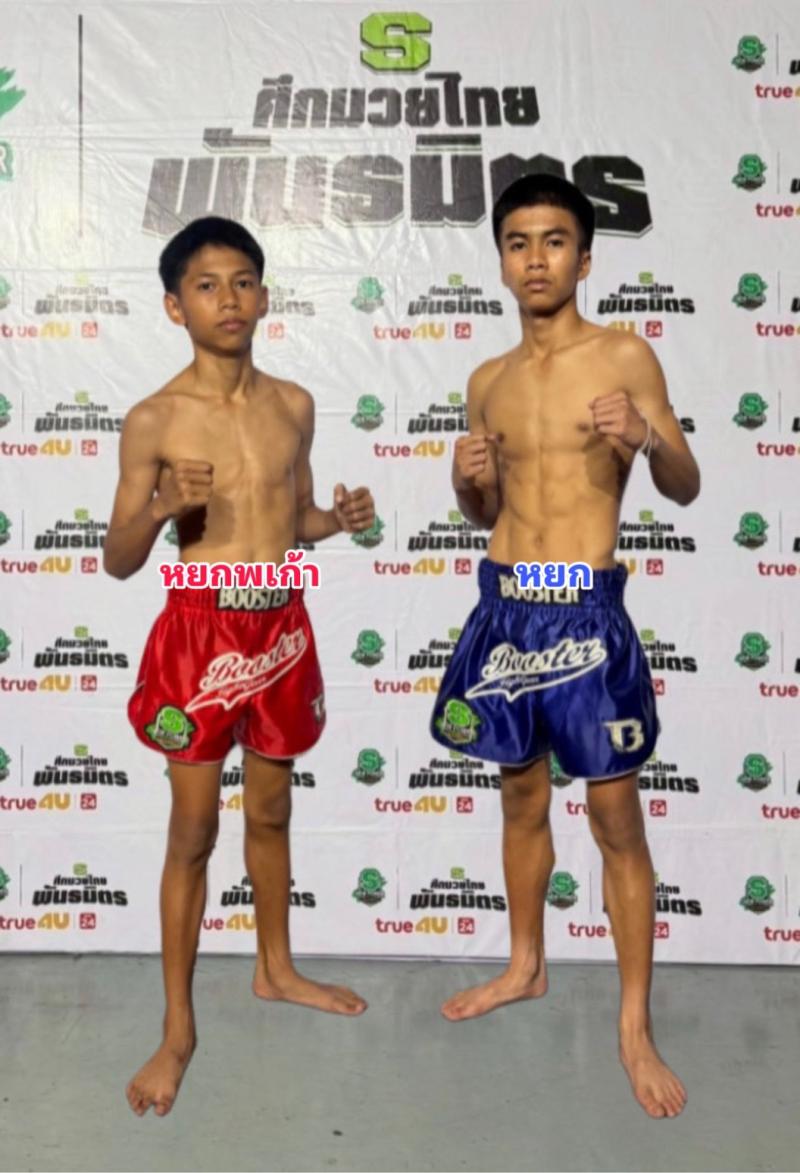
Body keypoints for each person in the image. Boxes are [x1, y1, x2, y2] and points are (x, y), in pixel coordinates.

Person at [429, 174, 699, 1119]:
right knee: (520, 797)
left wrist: (648, 435)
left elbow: (686, 483)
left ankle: (633, 1024)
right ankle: (525, 964)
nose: (535, 258)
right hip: (508, 605)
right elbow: (487, 514)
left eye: (553, 240)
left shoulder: (624, 353)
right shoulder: (487, 381)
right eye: (518, 241)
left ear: (585, 258)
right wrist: (465, 482)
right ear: (501, 260)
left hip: (584, 608)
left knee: (616, 816)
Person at [104, 216, 375, 1118]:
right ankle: (177, 1029)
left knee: (271, 808)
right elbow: (117, 557)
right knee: (193, 829)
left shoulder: (294, 403)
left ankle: (276, 967)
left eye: (244, 281)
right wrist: (158, 506)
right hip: (199, 635)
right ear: (175, 306)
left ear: (264, 297)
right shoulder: (154, 417)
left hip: (280, 625)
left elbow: (294, 518)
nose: (229, 299)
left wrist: (336, 521)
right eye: (207, 285)